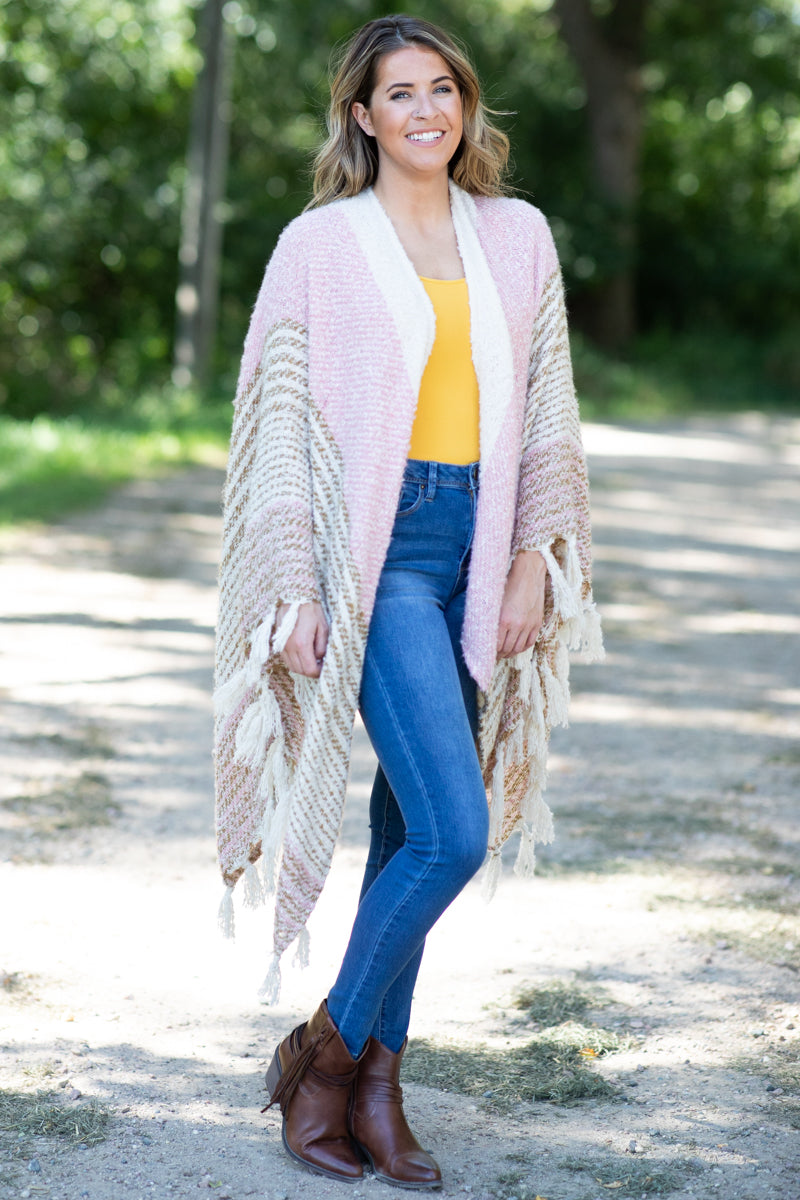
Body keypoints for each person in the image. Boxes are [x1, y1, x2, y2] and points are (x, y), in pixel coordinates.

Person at [213, 12, 602, 1191]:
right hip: (372, 555)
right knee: (451, 832)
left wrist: (536, 557)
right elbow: (275, 423)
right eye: (400, 92)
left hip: (476, 544)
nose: (426, 109)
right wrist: (293, 582)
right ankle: (321, 1059)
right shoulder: (322, 244)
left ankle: (378, 1089)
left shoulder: (514, 234)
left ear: (463, 107)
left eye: (443, 88)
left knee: (405, 831)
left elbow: (544, 404)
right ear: (361, 114)